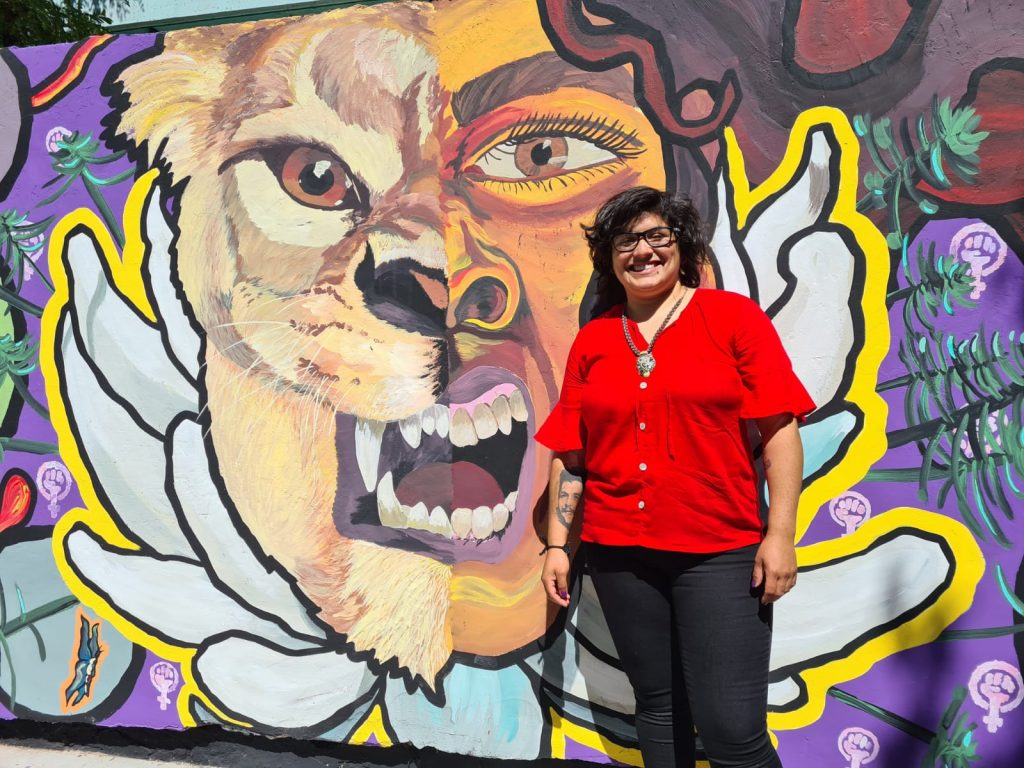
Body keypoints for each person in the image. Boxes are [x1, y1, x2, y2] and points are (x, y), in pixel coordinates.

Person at [535, 186, 815, 768]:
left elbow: (780, 431)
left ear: (681, 245)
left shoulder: (732, 318)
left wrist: (781, 535)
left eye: (656, 236)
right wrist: (559, 545)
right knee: (659, 711)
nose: (642, 251)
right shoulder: (594, 339)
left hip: (719, 551)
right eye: (625, 241)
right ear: (610, 258)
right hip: (620, 554)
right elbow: (572, 452)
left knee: (732, 730)